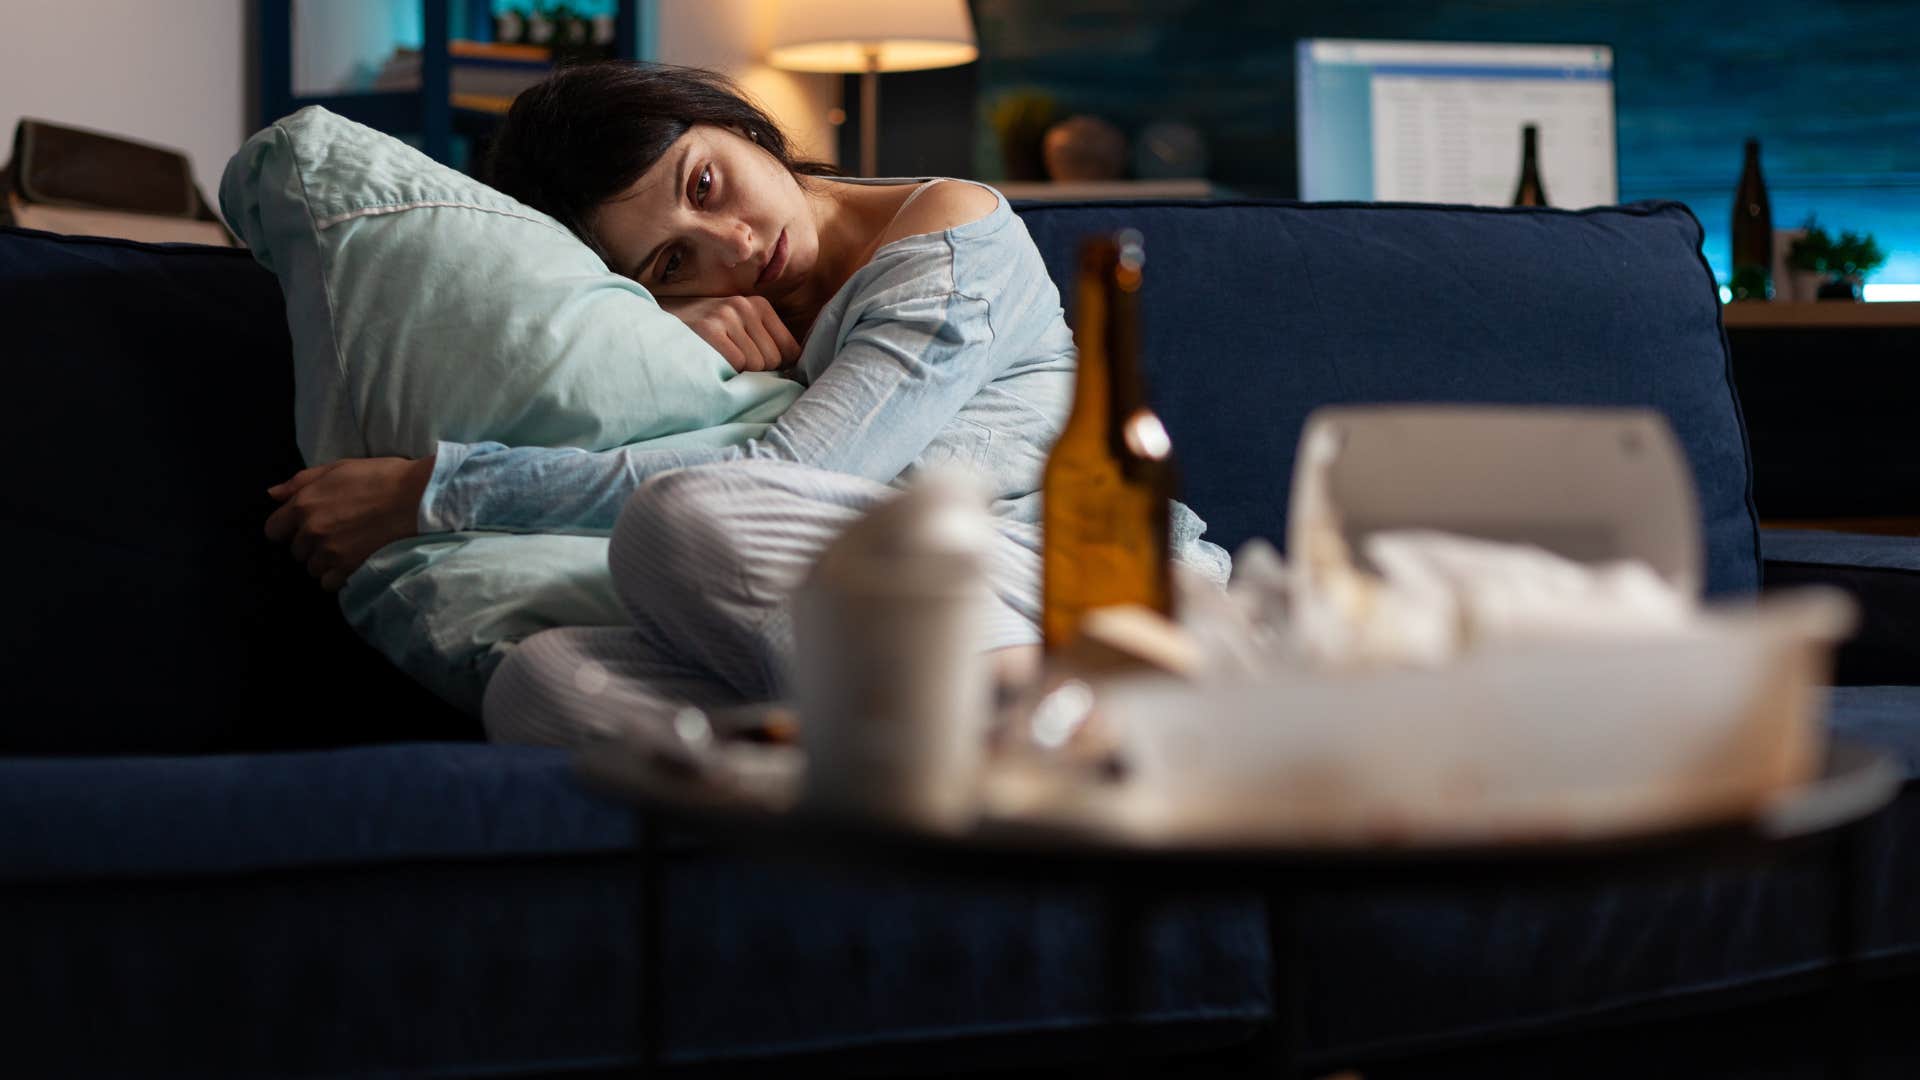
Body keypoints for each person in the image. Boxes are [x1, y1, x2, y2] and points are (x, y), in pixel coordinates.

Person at [263, 62, 1229, 748]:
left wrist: (437, 489)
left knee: (680, 524)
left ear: (730, 120)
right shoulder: (729, 311)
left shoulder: (947, 238)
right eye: (673, 257)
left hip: (1082, 589)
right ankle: (891, 788)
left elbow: (783, 483)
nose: (731, 242)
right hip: (893, 612)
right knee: (543, 682)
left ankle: (1014, 735)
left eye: (707, 183)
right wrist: (665, 320)